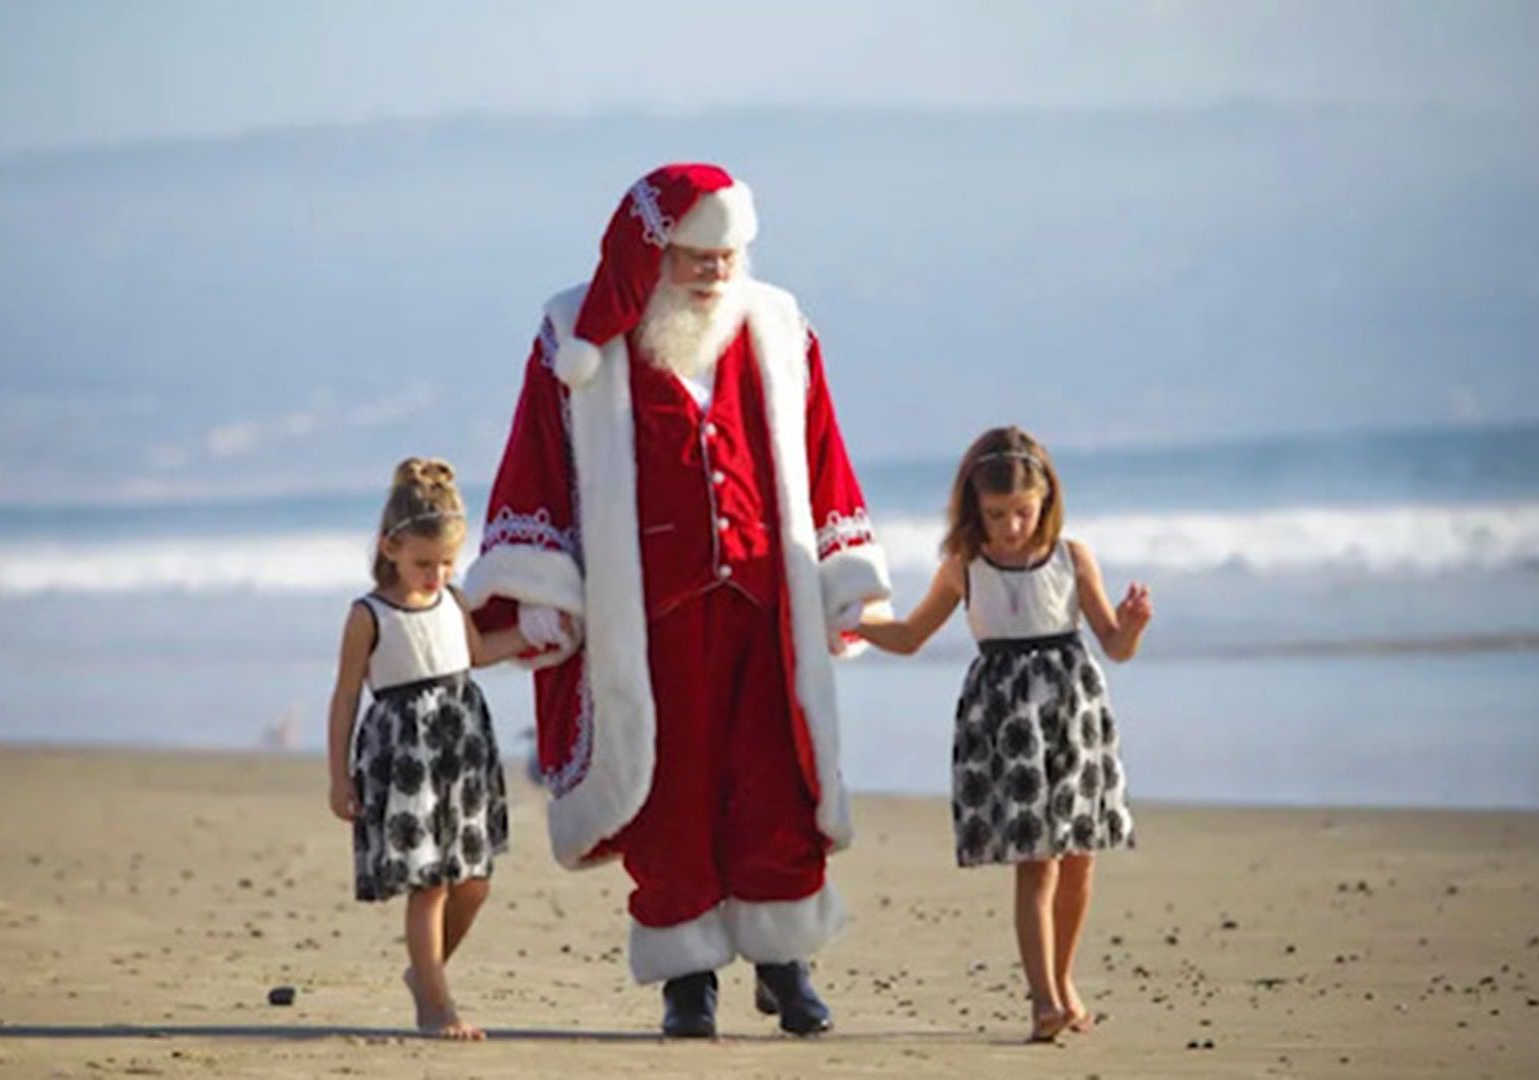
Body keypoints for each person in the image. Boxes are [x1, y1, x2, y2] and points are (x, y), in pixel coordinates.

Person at [465, 163, 891, 1037]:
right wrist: (539, 588)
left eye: (728, 255)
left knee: (777, 774)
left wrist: (846, 584)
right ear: (651, 252)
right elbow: (536, 457)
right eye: (696, 256)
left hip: (767, 603)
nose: (714, 273)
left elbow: (821, 456)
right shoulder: (572, 339)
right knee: (668, 784)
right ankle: (686, 976)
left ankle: (783, 957)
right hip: (645, 616)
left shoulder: (779, 328)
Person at [854, 425, 1152, 1043]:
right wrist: (853, 622)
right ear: (973, 509)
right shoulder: (966, 566)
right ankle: (1043, 999)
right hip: (1008, 724)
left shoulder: (1073, 557)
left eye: (1023, 512)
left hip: (1073, 715)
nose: (1012, 527)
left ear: (1046, 501)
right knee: (1035, 863)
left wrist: (1133, 625)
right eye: (996, 515)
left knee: (1079, 859)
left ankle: (1064, 982)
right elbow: (910, 636)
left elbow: (1115, 648)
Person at [326, 457, 529, 1040]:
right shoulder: (368, 615)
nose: (436, 575)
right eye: (424, 563)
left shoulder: (453, 600)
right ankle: (436, 1007)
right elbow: (344, 697)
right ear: (390, 548)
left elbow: (476, 655)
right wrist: (338, 778)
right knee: (430, 884)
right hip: (404, 758)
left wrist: (534, 634)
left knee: (475, 883)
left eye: (446, 563)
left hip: (462, 750)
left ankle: (424, 975)